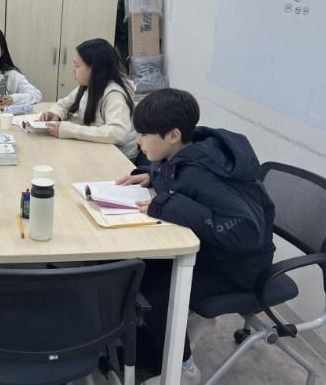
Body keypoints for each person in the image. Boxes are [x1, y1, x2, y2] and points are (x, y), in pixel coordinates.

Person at [115, 88, 275, 384]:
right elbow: (178, 176)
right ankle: (161, 341)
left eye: (144, 134)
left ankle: (185, 370)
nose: (138, 141)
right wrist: (153, 174)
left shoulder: (203, 172)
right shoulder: (184, 152)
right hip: (214, 252)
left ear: (173, 135)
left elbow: (245, 231)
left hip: (238, 268)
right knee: (138, 270)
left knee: (155, 292)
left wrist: (170, 204)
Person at [39, 38, 138, 160]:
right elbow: (64, 104)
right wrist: (56, 114)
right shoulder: (87, 86)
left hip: (119, 157)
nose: (73, 71)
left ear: (94, 69)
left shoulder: (114, 94)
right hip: (99, 147)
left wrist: (71, 130)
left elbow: (118, 133)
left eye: (77, 66)